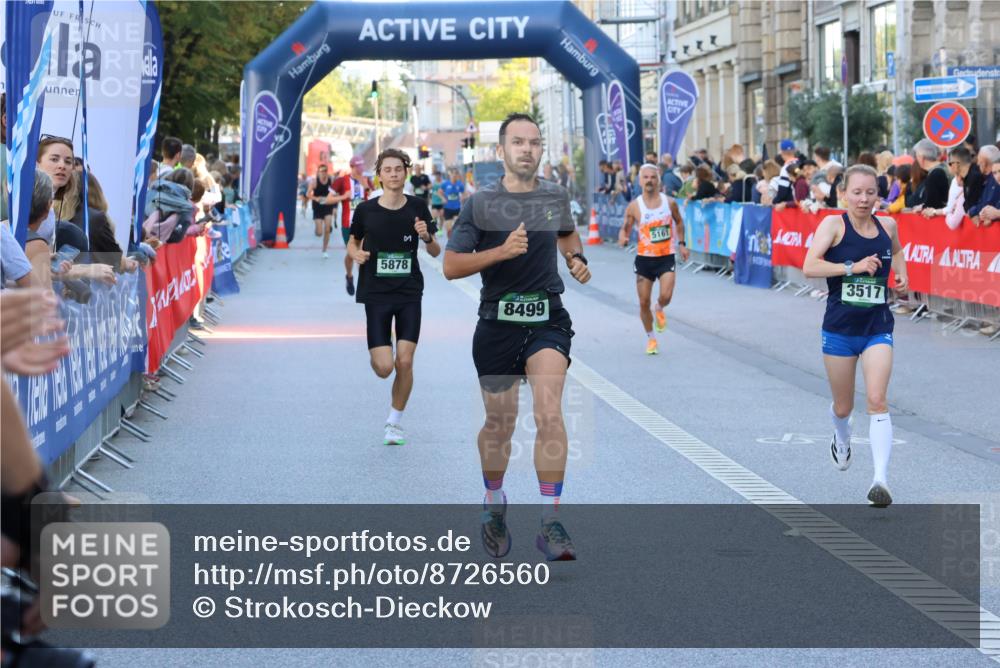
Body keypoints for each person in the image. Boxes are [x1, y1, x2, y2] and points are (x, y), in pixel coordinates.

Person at [443, 112, 591, 562]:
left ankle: (551, 521)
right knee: (499, 425)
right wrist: (501, 252)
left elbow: (567, 234)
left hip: (547, 316)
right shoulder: (481, 203)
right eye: (518, 142)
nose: (527, 149)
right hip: (496, 322)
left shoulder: (554, 195)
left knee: (550, 414)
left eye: (534, 142)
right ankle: (494, 503)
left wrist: (576, 257)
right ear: (501, 151)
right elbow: (451, 266)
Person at [802, 165, 908, 507]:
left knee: (877, 399)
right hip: (840, 330)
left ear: (879, 194)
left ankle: (880, 480)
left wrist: (902, 276)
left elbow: (898, 250)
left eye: (871, 192)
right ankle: (842, 439)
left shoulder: (887, 225)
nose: (864, 199)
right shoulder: (833, 225)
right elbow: (810, 266)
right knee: (844, 406)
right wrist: (853, 267)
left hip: (877, 327)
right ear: (843, 194)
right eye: (857, 192)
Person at [347, 149, 440, 446]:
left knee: (406, 362)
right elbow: (352, 241)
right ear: (380, 175)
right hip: (376, 293)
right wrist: (356, 254)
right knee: (385, 368)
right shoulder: (365, 210)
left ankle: (394, 423)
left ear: (406, 172)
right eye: (387, 170)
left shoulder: (418, 207)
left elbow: (436, 250)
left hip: (409, 292)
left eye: (398, 169)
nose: (394, 174)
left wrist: (426, 237)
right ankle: (381, 345)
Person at [617, 164, 690, 355]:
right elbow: (626, 226)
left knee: (666, 296)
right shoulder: (634, 206)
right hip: (644, 259)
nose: (649, 181)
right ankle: (651, 339)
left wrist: (682, 243)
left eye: (653, 177)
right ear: (640, 181)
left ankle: (659, 307)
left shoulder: (670, 202)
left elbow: (679, 222)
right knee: (643, 303)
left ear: (658, 180)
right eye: (646, 177)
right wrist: (623, 236)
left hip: (666, 257)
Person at [332, 157, 374, 295]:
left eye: (362, 166)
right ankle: (349, 276)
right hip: (348, 224)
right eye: (358, 167)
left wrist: (367, 187)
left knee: (362, 252)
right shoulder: (342, 181)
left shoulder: (367, 179)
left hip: (366, 222)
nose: (361, 170)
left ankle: (364, 284)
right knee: (352, 254)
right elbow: (328, 199)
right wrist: (343, 197)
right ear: (352, 167)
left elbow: (375, 198)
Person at [909, 139, 950, 210]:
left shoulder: (935, 174)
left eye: (916, 157)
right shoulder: (945, 168)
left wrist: (923, 207)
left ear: (921, 158)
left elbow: (934, 204)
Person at [307, 164, 335, 250]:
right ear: (318, 172)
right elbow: (307, 194)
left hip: (328, 206)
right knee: (319, 233)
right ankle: (317, 229)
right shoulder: (314, 182)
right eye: (321, 171)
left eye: (325, 170)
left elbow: (336, 192)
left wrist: (334, 204)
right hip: (317, 207)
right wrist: (316, 198)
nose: (324, 173)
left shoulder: (331, 180)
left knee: (327, 229)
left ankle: (324, 249)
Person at [437, 168, 466, 238]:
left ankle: (457, 241)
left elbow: (464, 193)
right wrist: (443, 198)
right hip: (448, 208)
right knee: (449, 230)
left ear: (457, 175)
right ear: (450, 175)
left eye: (456, 174)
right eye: (453, 174)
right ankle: (450, 244)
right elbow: (439, 192)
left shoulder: (460, 184)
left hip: (457, 208)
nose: (454, 176)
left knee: (457, 226)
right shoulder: (446, 183)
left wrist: (462, 197)